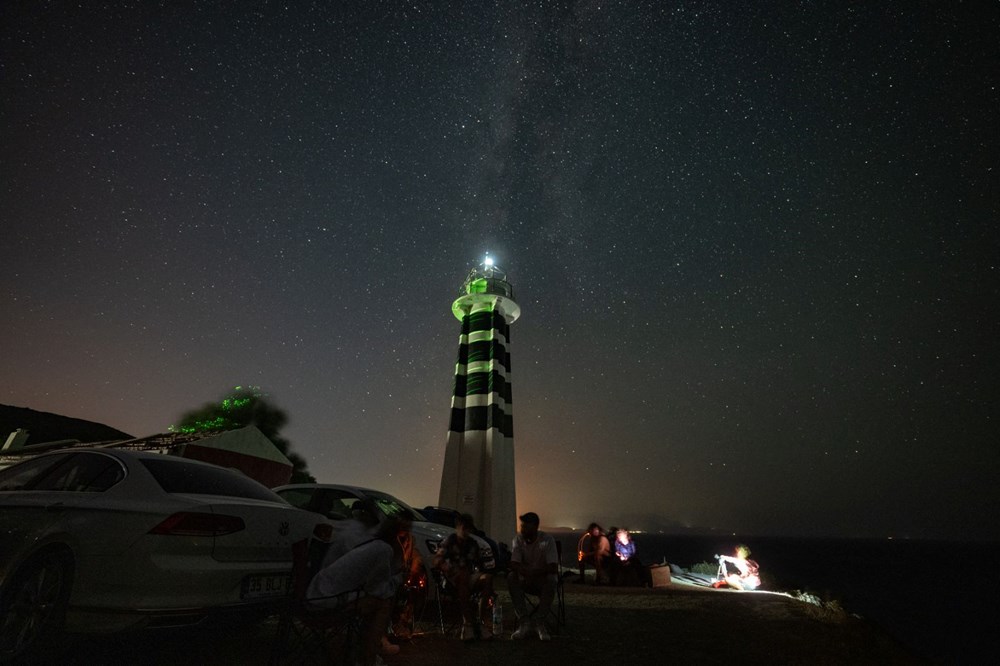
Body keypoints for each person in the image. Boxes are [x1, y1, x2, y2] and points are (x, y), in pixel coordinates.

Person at [307, 519, 402, 666]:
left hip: (317, 591)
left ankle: (364, 651)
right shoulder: (383, 550)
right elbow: (378, 590)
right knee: (382, 604)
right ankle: (368, 658)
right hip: (324, 600)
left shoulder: (368, 545)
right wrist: (398, 579)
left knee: (371, 602)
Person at [433, 513, 496, 640]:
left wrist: (481, 574)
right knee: (462, 577)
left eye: (468, 528)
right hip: (451, 579)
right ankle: (468, 623)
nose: (466, 531)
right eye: (463, 527)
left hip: (468, 577)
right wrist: (450, 569)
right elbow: (437, 560)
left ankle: (480, 621)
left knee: (487, 578)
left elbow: (480, 564)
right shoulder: (449, 541)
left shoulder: (473, 544)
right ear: (457, 527)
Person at [508, 511, 559, 641]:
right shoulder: (518, 540)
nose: (522, 529)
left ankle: (539, 622)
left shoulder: (547, 540)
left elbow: (553, 567)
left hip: (542, 580)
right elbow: (514, 563)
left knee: (552, 580)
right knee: (511, 577)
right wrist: (526, 573)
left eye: (526, 526)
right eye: (522, 526)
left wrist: (534, 573)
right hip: (525, 579)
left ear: (535, 527)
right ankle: (524, 621)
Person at [391, 517, 425, 640]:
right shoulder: (391, 540)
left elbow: (416, 556)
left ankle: (405, 621)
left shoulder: (409, 540)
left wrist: (414, 567)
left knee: (415, 589)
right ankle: (395, 623)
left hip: (403, 576)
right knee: (400, 592)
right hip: (391, 576)